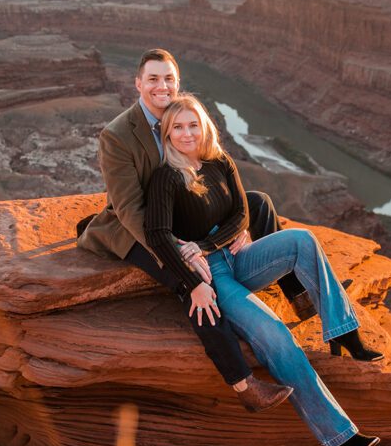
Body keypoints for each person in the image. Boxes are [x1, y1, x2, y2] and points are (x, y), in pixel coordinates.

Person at [144, 93, 382, 446]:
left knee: (302, 240)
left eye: (193, 125)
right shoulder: (166, 177)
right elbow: (158, 234)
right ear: (167, 133)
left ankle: (344, 331)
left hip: (237, 256)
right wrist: (193, 283)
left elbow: (242, 213)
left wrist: (207, 243)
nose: (187, 133)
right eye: (178, 127)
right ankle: (341, 438)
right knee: (277, 336)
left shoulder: (219, 162)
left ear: (204, 127)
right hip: (213, 275)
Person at [77, 48, 310, 413]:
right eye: (153, 79)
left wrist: (236, 226)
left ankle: (297, 294)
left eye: (168, 78)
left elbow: (213, 172)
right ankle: (242, 383)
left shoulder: (182, 116)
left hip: (185, 214)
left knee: (259, 203)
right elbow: (130, 209)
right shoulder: (117, 135)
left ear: (178, 82)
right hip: (139, 227)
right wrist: (176, 250)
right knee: (194, 283)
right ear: (137, 83)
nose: (162, 86)